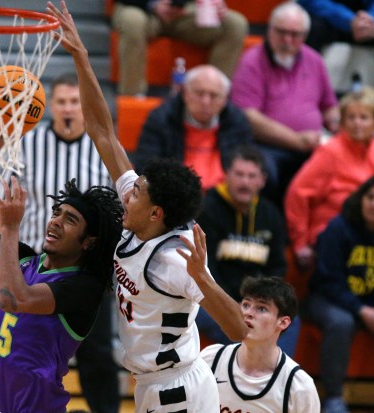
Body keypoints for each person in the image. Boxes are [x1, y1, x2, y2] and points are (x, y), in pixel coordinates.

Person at [47, 2, 248, 411]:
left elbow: (239, 330)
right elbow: (103, 133)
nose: (128, 191)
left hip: (179, 389)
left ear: (156, 213)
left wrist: (203, 280)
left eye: (137, 191)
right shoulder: (140, 212)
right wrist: (81, 58)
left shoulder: (176, 260)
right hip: (151, 384)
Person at [0, 141, 124, 412]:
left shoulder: (84, 287)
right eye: (56, 213)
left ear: (88, 242)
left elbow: (14, 299)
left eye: (71, 220)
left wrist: (11, 226)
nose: (56, 222)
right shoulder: (26, 260)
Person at [0, 72, 120, 413]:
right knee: (27, 349)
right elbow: (5, 205)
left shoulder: (103, 149)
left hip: (84, 268)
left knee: (97, 353)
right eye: (62, 101)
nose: (68, 108)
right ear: (49, 106)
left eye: (75, 102)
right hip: (35, 262)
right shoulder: (27, 144)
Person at [231, 1, 340, 207]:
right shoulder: (252, 61)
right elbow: (249, 118)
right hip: (266, 146)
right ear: (270, 30)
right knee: (265, 172)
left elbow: (329, 105)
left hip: (312, 144)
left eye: (295, 34)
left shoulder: (314, 60)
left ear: (305, 36)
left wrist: (336, 123)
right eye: (282, 32)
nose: (288, 40)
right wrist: (296, 140)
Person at [195, 145, 300, 356]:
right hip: (213, 298)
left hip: (256, 301)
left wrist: (263, 304)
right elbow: (206, 268)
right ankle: (244, 378)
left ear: (262, 180)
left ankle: (273, 380)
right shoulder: (207, 209)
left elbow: (277, 267)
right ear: (226, 175)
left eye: (252, 176)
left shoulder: (271, 215)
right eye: (239, 175)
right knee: (234, 326)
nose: (245, 182)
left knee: (290, 321)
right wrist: (234, 306)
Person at [301, 176, 374, 413]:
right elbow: (328, 281)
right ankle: (333, 398)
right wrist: (361, 310)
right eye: (370, 197)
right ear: (361, 199)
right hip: (327, 299)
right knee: (342, 322)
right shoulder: (339, 227)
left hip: (367, 304)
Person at [285, 86, 374, 272]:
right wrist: (300, 243)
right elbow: (296, 194)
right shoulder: (330, 152)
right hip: (334, 236)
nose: (357, 123)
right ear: (342, 121)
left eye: (364, 117)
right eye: (351, 117)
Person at [201, 276, 320, 413]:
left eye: (261, 308)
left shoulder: (299, 387)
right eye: (246, 305)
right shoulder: (211, 359)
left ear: (283, 322)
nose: (248, 313)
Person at [133, 64, 253, 190]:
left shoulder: (237, 122)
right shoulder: (161, 119)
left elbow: (246, 165)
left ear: (224, 100)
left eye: (214, 95)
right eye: (199, 93)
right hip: (176, 197)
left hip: (223, 199)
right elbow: (146, 167)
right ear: (185, 94)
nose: (205, 101)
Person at [111, 0, 248, 96]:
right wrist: (153, 4)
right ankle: (133, 96)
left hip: (184, 11)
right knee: (133, 21)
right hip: (140, 8)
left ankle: (215, 96)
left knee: (235, 24)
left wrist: (215, 4)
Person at [298, 0, 374, 52]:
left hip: (363, 22)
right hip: (326, 19)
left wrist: (371, 19)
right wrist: (350, 20)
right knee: (308, 27)